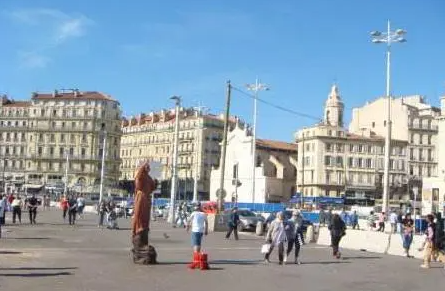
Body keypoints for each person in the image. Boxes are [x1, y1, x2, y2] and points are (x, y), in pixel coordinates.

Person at [131, 161, 157, 265]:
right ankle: (138, 228)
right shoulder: (140, 175)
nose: (148, 168)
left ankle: (143, 230)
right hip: (141, 197)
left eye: (148, 167)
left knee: (146, 216)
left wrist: (155, 183)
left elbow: (151, 188)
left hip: (146, 198)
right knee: (139, 215)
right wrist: (143, 165)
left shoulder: (148, 177)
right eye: (147, 166)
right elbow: (138, 181)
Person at [186, 202, 209, 269]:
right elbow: (206, 223)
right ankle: (198, 259)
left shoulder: (194, 213)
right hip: (201, 231)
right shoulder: (203, 214)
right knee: (198, 245)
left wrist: (187, 228)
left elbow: (189, 221)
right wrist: (206, 230)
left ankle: (196, 260)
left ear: (196, 207)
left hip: (195, 231)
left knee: (195, 245)